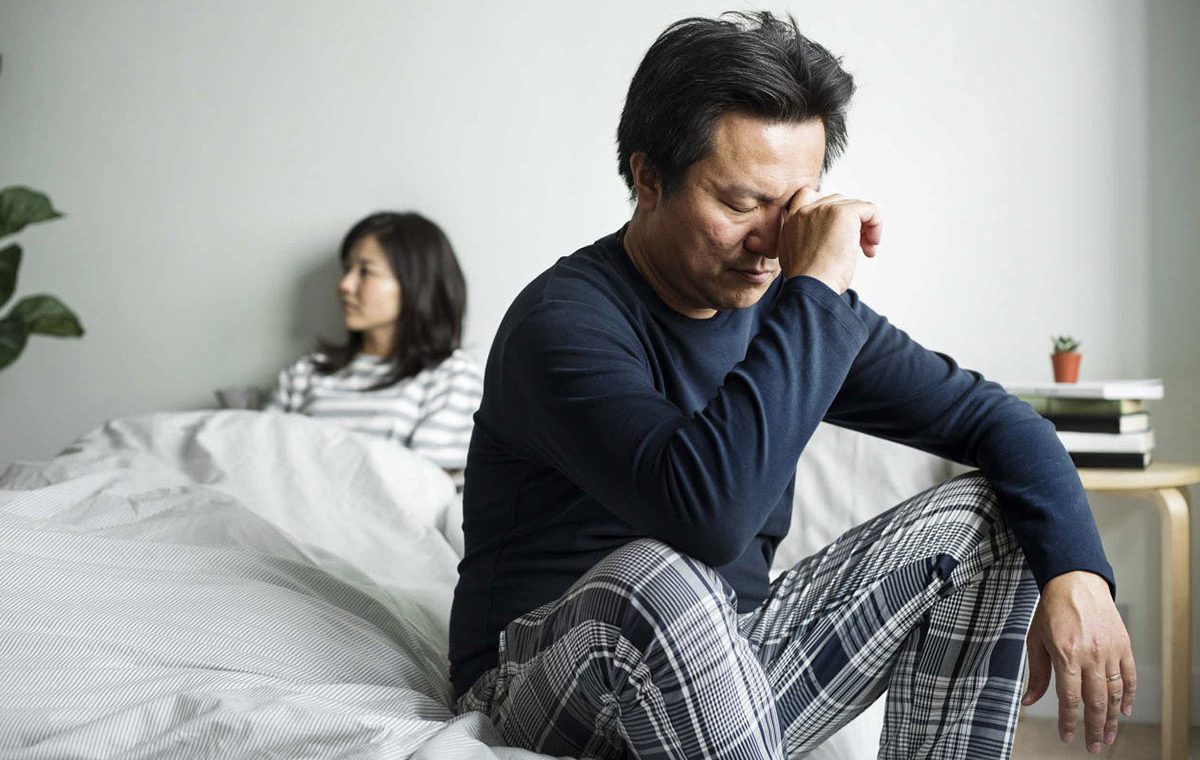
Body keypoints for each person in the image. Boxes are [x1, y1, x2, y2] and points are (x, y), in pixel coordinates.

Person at [449, 11, 1134, 760]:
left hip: (736, 661)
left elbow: (1001, 421)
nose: (773, 243)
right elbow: (707, 519)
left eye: (796, 207)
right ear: (647, 178)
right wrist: (818, 287)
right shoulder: (563, 323)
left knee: (994, 511)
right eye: (740, 204)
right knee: (663, 575)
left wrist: (1077, 571)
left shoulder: (790, 306)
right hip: (545, 680)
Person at [267, 211, 482, 474]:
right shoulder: (305, 372)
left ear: (415, 284)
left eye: (365, 271)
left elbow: (425, 489)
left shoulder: (450, 376)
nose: (345, 284)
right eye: (347, 269)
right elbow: (259, 459)